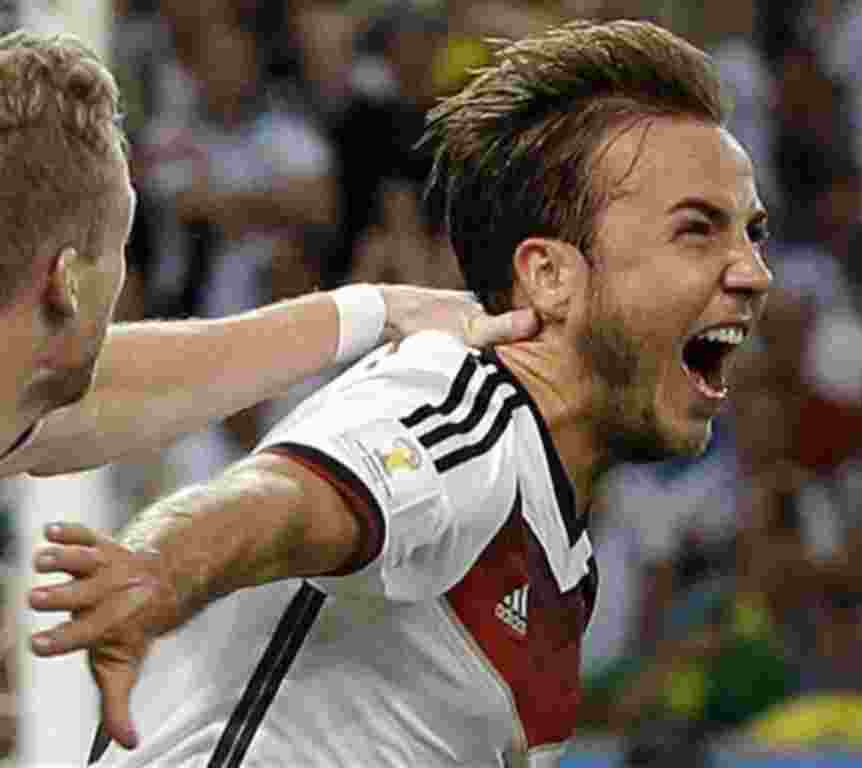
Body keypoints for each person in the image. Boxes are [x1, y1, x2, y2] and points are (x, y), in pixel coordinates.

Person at [30, 19, 772, 766]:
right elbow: (281, 503)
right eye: (697, 230)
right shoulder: (464, 401)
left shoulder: (562, 560)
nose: (753, 272)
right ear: (549, 275)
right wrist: (158, 570)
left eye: (753, 233)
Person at [0, 29, 537, 479]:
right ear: (68, 281)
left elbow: (117, 389)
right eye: (119, 246)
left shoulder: (21, 391)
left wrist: (380, 309)